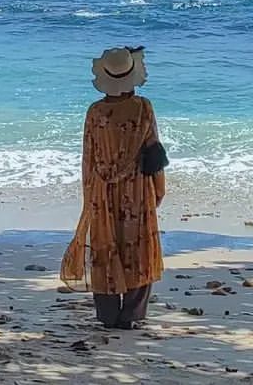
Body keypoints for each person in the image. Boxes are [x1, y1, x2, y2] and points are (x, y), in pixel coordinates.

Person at [60, 45, 168, 329]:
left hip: (102, 189)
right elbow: (154, 152)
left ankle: (107, 315)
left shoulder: (95, 112)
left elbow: (89, 158)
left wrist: (90, 196)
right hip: (137, 188)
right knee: (138, 247)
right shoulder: (142, 108)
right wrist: (158, 190)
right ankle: (131, 315)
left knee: (105, 247)